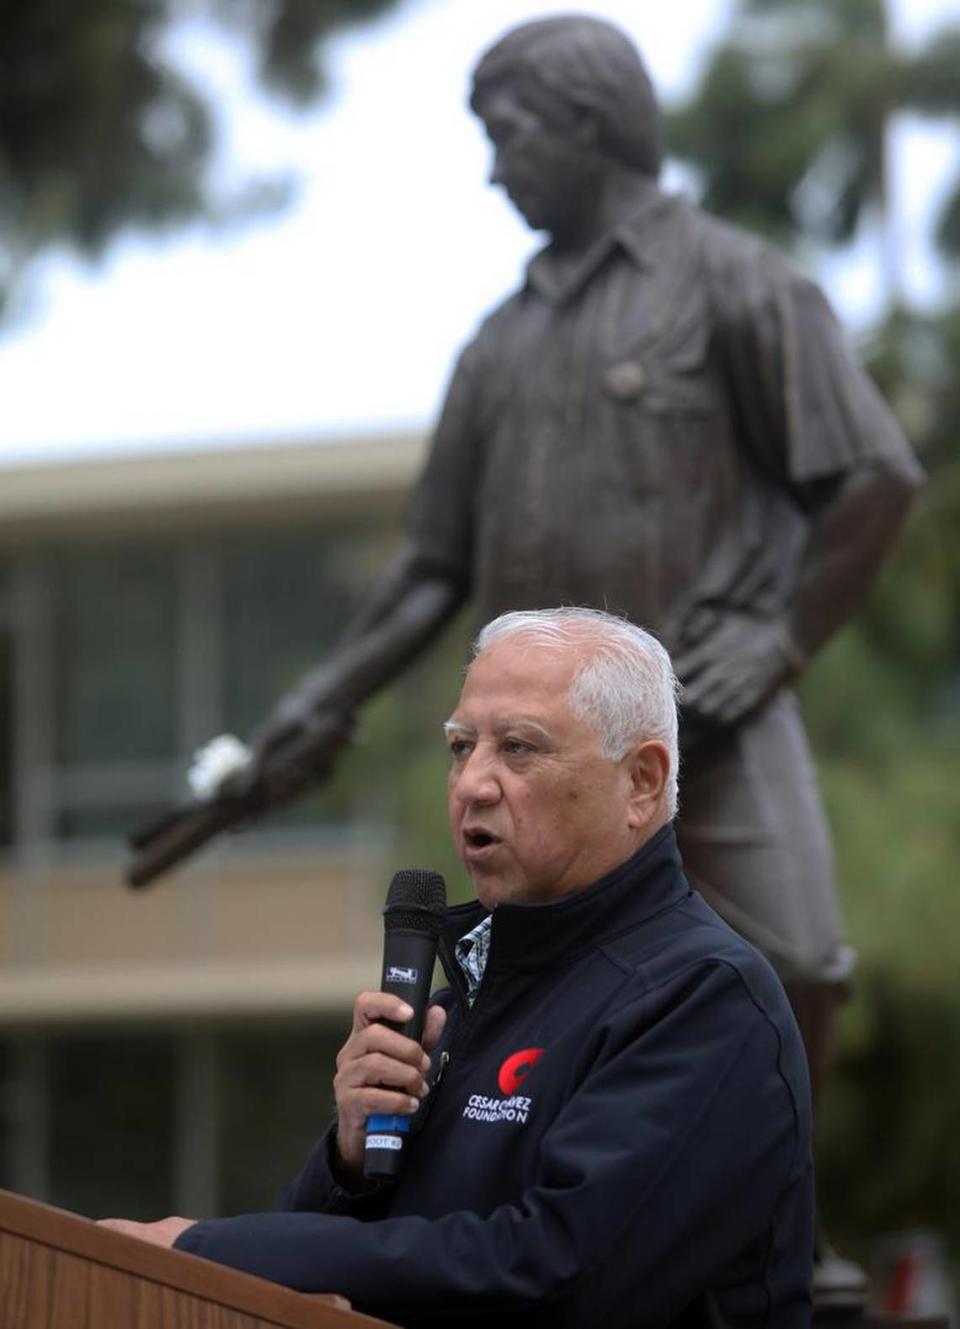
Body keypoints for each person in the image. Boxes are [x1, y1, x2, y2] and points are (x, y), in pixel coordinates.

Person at [212, 15, 922, 1136]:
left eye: (509, 134)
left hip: (708, 717)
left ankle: (770, 1215)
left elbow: (873, 478)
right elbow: (430, 562)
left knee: (800, 962)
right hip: (536, 740)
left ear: (588, 125)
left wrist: (778, 642)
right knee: (518, 990)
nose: (495, 170)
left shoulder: (742, 284)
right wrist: (315, 704)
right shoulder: (497, 347)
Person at [104, 608, 814, 1329]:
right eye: (459, 746)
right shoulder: (459, 1001)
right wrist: (350, 1158)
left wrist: (213, 1247)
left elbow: (555, 1275)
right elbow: (322, 1286)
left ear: (640, 781)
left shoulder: (704, 995)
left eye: (518, 748)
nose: (472, 783)